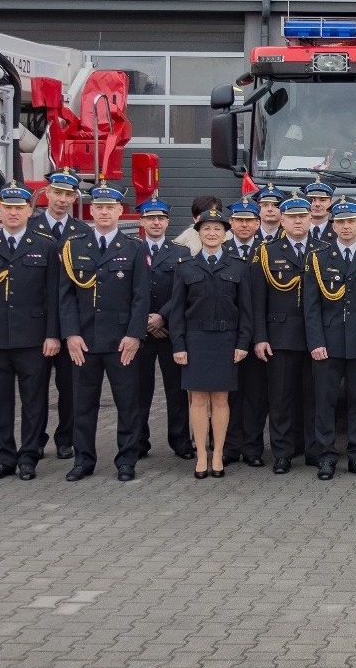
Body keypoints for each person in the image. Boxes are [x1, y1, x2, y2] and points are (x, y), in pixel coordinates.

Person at [0, 186, 61, 481]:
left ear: (29, 212)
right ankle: (5, 457)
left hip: (33, 338)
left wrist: (53, 335)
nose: (13, 212)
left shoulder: (46, 246)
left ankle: (29, 456)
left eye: (19, 208)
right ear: (0, 211)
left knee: (34, 401)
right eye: (7, 207)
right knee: (0, 401)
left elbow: (53, 297)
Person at [57, 186, 150, 482]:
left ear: (121, 212)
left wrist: (135, 335)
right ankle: (83, 460)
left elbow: (141, 297)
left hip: (121, 340)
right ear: (91, 211)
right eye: (100, 207)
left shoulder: (134, 248)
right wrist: (70, 334)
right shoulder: (74, 247)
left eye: (111, 207)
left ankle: (126, 459)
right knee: (83, 404)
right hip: (83, 341)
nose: (105, 212)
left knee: (128, 403)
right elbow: (66, 296)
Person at [303, 198, 356, 480]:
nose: (345, 226)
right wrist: (316, 342)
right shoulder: (318, 258)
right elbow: (311, 307)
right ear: (333, 225)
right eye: (340, 222)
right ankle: (326, 456)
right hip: (327, 344)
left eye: (351, 221)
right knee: (324, 402)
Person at [166, 208, 253, 479]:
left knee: (221, 399)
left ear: (226, 234)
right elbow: (177, 312)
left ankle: (218, 455)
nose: (212, 233)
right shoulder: (186, 267)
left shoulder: (238, 266)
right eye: (206, 229)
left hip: (226, 341)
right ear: (198, 233)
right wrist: (178, 345)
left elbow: (246, 310)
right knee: (199, 400)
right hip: (196, 341)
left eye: (217, 229)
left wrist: (243, 343)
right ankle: (201, 456)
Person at [251, 196, 316, 474]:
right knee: (281, 398)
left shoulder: (323, 250)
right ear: (282, 220)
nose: (298, 221)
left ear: (311, 219)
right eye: (292, 217)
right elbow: (258, 302)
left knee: (314, 397)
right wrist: (260, 337)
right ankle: (282, 452)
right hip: (280, 336)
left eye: (303, 216)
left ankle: (312, 449)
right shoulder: (267, 252)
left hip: (316, 338)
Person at [136, 199, 195, 462]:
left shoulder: (181, 253)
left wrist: (162, 317)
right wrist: (145, 322)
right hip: (139, 333)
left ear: (168, 222)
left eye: (160, 218)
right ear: (142, 222)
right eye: (150, 218)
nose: (156, 223)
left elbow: (184, 291)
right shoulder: (132, 251)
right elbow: (128, 294)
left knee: (177, 391)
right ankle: (138, 441)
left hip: (170, 332)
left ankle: (180, 441)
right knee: (138, 391)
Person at [31, 168, 83, 460]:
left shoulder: (82, 232)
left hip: (71, 323)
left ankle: (67, 438)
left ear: (74, 198)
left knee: (71, 388)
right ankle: (36, 439)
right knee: (36, 388)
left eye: (68, 195)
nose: (62, 200)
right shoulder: (30, 227)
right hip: (37, 323)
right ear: (47, 193)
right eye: (57, 193)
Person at [222, 199, 268, 467]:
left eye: (249, 220)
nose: (244, 225)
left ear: (258, 223)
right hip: (229, 335)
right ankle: (230, 447)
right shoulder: (221, 250)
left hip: (259, 335)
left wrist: (261, 335)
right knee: (230, 393)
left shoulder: (267, 251)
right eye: (239, 220)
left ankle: (252, 448)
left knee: (256, 395)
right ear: (231, 224)